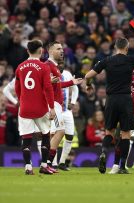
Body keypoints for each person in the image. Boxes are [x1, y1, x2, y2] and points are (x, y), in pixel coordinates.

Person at [85, 25, 134, 174]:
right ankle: (122, 166)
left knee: (109, 132)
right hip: (126, 99)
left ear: (115, 47)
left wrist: (89, 85)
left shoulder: (106, 60)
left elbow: (88, 76)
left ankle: (103, 152)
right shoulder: (131, 59)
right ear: (127, 48)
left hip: (111, 100)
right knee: (126, 134)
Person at [14, 39, 55, 175]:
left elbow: (17, 88)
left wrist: (22, 101)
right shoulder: (44, 67)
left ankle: (28, 167)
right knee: (45, 134)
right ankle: (43, 165)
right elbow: (48, 88)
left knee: (26, 138)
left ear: (27, 51)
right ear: (41, 50)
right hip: (40, 108)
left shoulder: (20, 67)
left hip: (25, 108)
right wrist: (52, 108)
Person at [45, 41, 83, 171]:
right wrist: (51, 106)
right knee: (55, 133)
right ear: (50, 51)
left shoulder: (56, 68)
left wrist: (72, 82)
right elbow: (45, 86)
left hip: (61, 107)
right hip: (53, 105)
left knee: (61, 133)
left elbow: (56, 85)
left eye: (62, 48)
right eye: (58, 48)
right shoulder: (48, 66)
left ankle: (50, 163)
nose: (62, 51)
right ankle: (48, 162)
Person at [56, 60, 79, 171]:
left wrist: (73, 102)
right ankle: (53, 163)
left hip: (66, 111)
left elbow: (75, 88)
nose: (60, 66)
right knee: (53, 135)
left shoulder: (67, 74)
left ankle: (62, 162)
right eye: (58, 64)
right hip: (55, 110)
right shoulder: (49, 74)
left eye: (62, 65)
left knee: (70, 136)